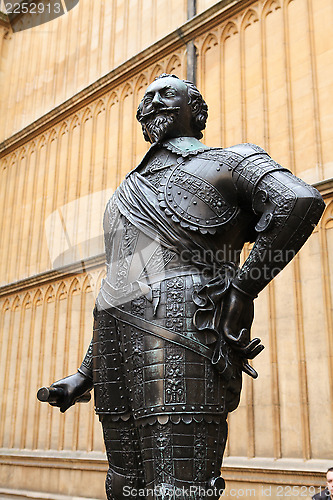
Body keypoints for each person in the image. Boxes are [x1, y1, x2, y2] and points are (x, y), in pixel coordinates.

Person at [46, 74, 325, 499]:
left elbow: (298, 201)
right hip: (119, 342)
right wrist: (87, 371)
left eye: (167, 95)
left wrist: (244, 288)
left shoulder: (229, 162)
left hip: (186, 327)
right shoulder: (124, 193)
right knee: (123, 484)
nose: (155, 102)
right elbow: (116, 284)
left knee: (179, 485)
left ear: (195, 111)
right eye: (148, 97)